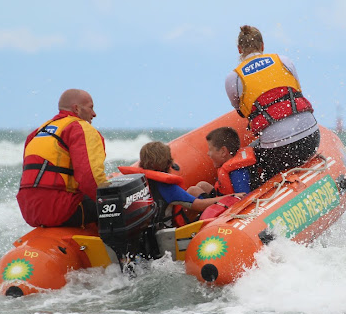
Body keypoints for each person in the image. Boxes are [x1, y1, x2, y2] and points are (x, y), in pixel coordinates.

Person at [225, 25, 320, 185]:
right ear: (262, 46)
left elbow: (242, 111)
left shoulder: (233, 78)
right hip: (311, 139)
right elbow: (296, 91)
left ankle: (253, 196)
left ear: (239, 49)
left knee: (246, 156)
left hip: (278, 152)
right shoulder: (284, 61)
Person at [17, 89, 109, 228]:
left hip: (29, 211)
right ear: (77, 108)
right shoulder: (79, 128)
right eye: (91, 107)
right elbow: (89, 177)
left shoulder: (38, 132)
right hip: (61, 208)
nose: (94, 114)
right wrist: (109, 201)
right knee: (124, 203)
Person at [118, 141, 225, 228]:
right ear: (169, 163)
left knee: (198, 188)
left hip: (143, 235)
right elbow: (199, 204)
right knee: (195, 192)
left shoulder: (136, 183)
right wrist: (228, 197)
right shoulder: (167, 187)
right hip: (163, 235)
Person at [206, 126, 255, 195]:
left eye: (210, 149)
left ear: (223, 151)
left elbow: (244, 199)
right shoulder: (231, 166)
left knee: (194, 191)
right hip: (224, 194)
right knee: (202, 185)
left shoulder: (237, 173)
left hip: (229, 203)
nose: (208, 153)